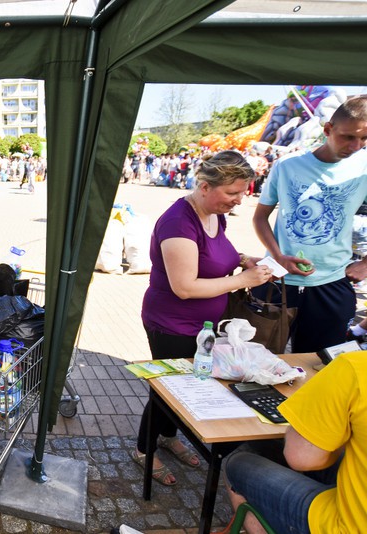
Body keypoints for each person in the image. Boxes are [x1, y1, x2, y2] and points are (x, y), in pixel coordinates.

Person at [131, 151, 273, 486]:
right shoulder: (178, 222)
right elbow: (184, 286)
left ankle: (167, 436)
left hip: (201, 325)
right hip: (171, 324)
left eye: (243, 191)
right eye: (233, 193)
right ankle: (143, 450)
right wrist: (242, 281)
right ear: (206, 186)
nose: (240, 200)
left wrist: (242, 259)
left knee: (187, 385)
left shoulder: (215, 213)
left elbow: (217, 252)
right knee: (168, 390)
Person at [253, 96, 367, 353]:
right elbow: (260, 217)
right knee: (258, 361)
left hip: (333, 283)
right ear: (328, 129)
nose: (356, 146)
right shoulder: (286, 165)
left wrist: (366, 263)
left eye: (364, 139)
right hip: (277, 281)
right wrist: (279, 255)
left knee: (320, 365)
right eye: (348, 137)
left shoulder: (364, 169)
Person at [224, 350, 366, 533]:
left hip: (346, 526)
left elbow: (301, 458)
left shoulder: (355, 366)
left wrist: (326, 425)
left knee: (236, 462)